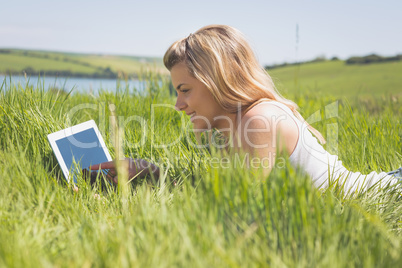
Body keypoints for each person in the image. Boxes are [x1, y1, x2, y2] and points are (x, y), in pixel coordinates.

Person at [90, 24, 401, 194]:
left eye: (185, 90)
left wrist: (151, 178)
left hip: (388, 192)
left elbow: (240, 206)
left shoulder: (259, 121)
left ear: (218, 81)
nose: (178, 104)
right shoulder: (227, 125)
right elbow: (214, 189)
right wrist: (149, 171)